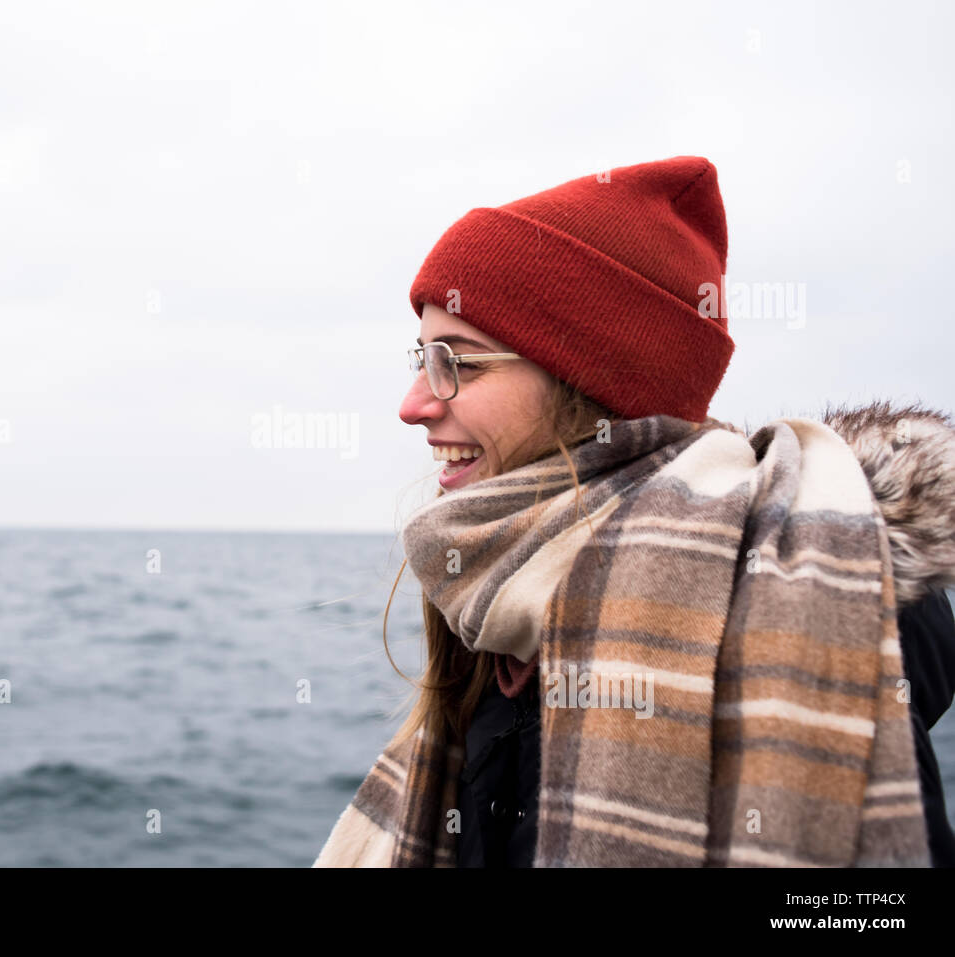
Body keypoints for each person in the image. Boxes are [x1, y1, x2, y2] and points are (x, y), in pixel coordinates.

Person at [313, 156, 955, 867]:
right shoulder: (501, 619)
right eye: (421, 356)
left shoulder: (786, 641)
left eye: (457, 361)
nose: (413, 403)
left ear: (587, 383)